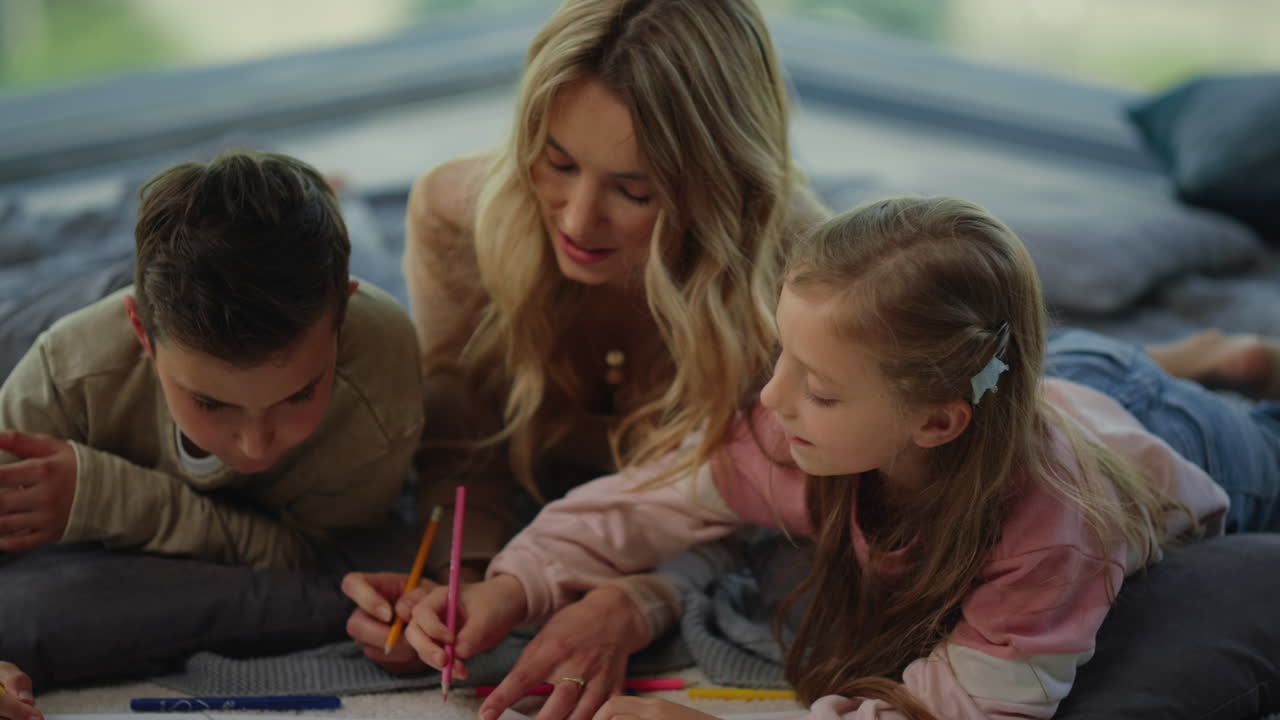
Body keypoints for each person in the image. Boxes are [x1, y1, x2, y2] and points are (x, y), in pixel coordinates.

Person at [392, 196, 1280, 720]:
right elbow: (645, 501)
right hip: (1049, 386)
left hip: (1184, 447)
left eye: (815, 386)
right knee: (1056, 364)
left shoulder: (1051, 535)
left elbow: (964, 708)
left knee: (1237, 427)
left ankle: (1208, 369)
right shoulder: (819, 429)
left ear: (933, 426)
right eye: (783, 357)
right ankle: (1190, 349)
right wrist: (514, 582)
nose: (771, 398)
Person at [340, 0, 827, 678]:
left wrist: (642, 600)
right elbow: (459, 445)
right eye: (557, 162)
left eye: (634, 191)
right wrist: (456, 590)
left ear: (720, 187)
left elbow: (759, 510)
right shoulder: (459, 214)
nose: (576, 219)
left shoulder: (799, 283)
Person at [0, 149, 424, 569]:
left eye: (298, 395)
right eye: (211, 403)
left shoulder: (380, 378)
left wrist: (113, 499)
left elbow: (322, 562)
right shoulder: (67, 372)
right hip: (77, 313)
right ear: (142, 334)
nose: (255, 446)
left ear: (343, 318)